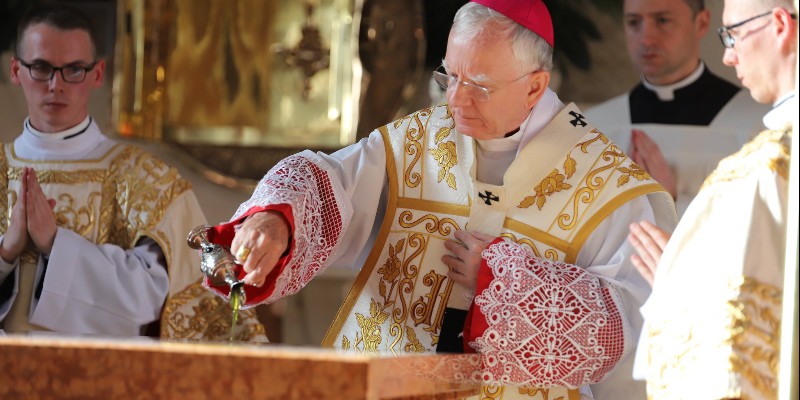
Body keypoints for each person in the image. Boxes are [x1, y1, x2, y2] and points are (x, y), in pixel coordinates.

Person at [202, 0, 676, 398]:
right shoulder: (419, 139)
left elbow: (627, 320)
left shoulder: (606, 179)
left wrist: (502, 282)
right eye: (449, 77)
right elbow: (334, 182)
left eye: (480, 87)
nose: (456, 101)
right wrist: (276, 221)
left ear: (535, 85)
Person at [0, 4, 266, 341]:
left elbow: (152, 302)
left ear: (98, 74)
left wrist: (56, 244)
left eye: (74, 70)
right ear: (15, 69)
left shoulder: (147, 180)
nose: (56, 85)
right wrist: (7, 252)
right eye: (40, 67)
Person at [628, 0, 795, 398]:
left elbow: (742, 349)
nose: (727, 53)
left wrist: (680, 283)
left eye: (732, 33)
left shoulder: (766, 166)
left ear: (778, 24)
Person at [586, 0, 769, 217]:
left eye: (663, 21)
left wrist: (670, 202)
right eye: (634, 22)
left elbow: (764, 230)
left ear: (701, 23)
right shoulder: (594, 127)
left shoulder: (759, 123)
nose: (645, 38)